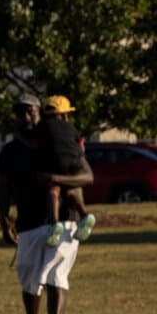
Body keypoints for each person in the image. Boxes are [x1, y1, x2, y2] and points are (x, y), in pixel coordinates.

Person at [0, 94, 93, 314]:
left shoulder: (57, 143)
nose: (25, 117)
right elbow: (3, 189)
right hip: (28, 223)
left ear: (42, 114)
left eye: (30, 112)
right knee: (29, 279)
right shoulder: (10, 151)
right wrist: (5, 220)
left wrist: (55, 178)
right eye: (20, 113)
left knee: (55, 275)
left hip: (64, 220)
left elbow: (86, 175)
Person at [38, 96, 97, 246]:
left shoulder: (43, 126)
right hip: (74, 161)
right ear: (64, 114)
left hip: (56, 160)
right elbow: (80, 146)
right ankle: (85, 215)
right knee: (70, 190)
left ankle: (54, 224)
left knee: (54, 190)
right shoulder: (71, 128)